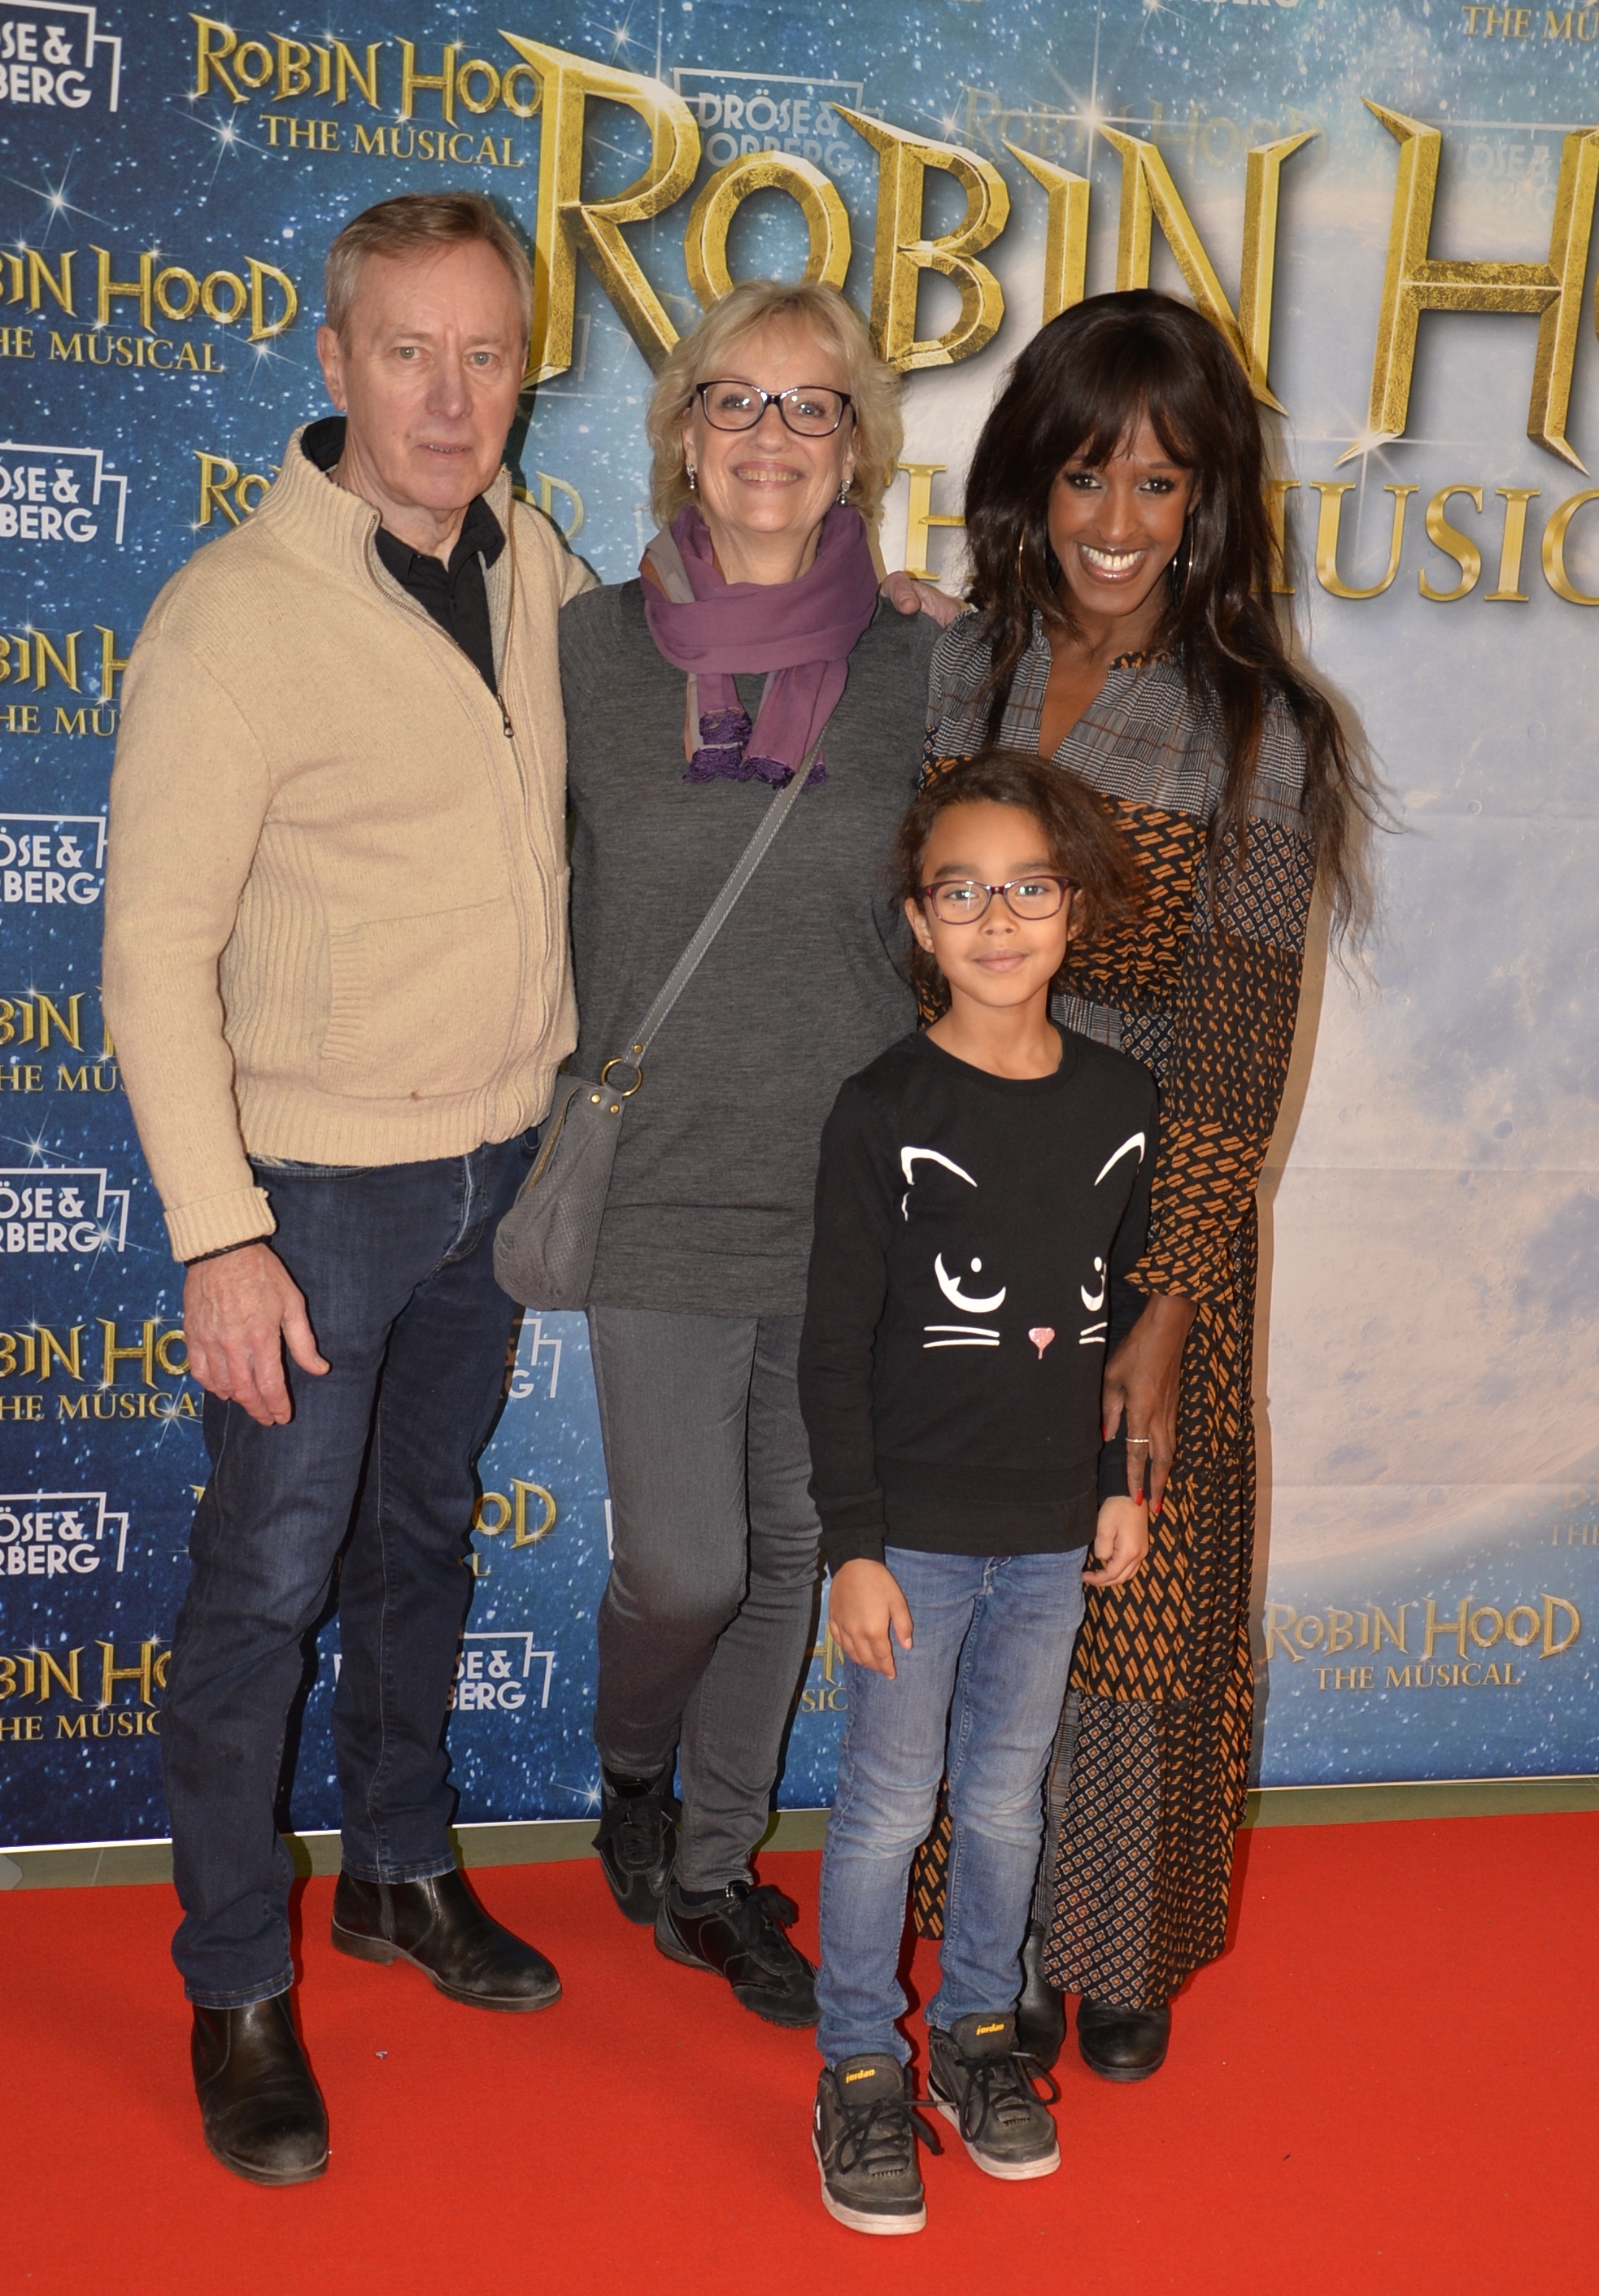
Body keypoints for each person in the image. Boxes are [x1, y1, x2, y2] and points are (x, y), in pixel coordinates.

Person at [102, 191, 594, 2185]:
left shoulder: (537, 562)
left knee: (424, 1543)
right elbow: (151, 953)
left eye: (486, 356)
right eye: (409, 352)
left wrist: (862, 604)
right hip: (310, 1196)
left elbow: (682, 692)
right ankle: (235, 1977)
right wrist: (220, 1232)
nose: (450, 398)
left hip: (496, 1162)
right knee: (264, 1586)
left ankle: (396, 1865)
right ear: (333, 362)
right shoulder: (233, 616)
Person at [921, 289, 1371, 2081]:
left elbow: (1240, 1041)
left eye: (1160, 483)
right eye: (1086, 474)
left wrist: (1169, 1300)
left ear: (1209, 503)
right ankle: (999, 1934)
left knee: (1136, 1586)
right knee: (981, 1583)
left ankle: (1112, 1953)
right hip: (966, 1199)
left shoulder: (1261, 728)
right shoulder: (960, 669)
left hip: (1149, 1210)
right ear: (1032, 478)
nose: (1116, 521)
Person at [558, 279, 938, 2025]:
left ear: (855, 445)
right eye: (736, 398)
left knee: (795, 1551)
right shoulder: (582, 650)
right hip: (652, 1180)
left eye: (810, 405)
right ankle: (633, 1772)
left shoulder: (924, 662)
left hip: (849, 1192)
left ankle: (713, 1871)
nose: (771, 434)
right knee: (686, 1567)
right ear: (682, 430)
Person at [800, 751, 1156, 2235]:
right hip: (915, 1544)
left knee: (1007, 1800)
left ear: (1072, 910)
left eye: (1026, 889)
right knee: (888, 1807)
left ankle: (978, 2037)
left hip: (1050, 1535)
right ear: (916, 918)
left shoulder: (1122, 1099)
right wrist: (853, 1547)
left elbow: (1114, 1318)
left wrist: (1116, 1483)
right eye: (960, 893)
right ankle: (856, 2066)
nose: (996, 920)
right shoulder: (880, 1106)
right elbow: (832, 1346)